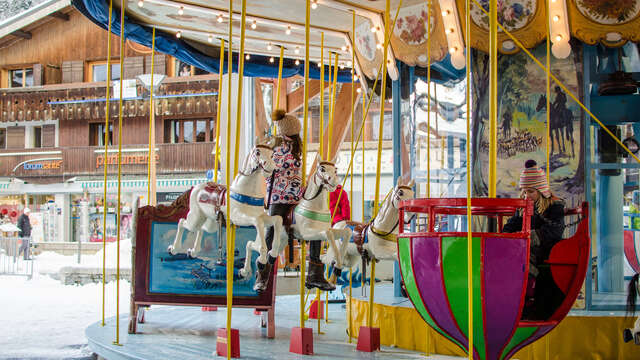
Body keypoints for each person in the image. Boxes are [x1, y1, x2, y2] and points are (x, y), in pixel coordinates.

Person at [503, 160, 565, 320]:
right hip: (525, 246)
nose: (526, 195)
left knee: (519, 263)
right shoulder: (522, 207)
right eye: (523, 192)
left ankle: (523, 302)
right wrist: (506, 237)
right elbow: (512, 224)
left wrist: (525, 237)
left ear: (541, 191)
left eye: (530, 191)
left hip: (545, 249)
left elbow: (554, 231)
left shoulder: (554, 206)